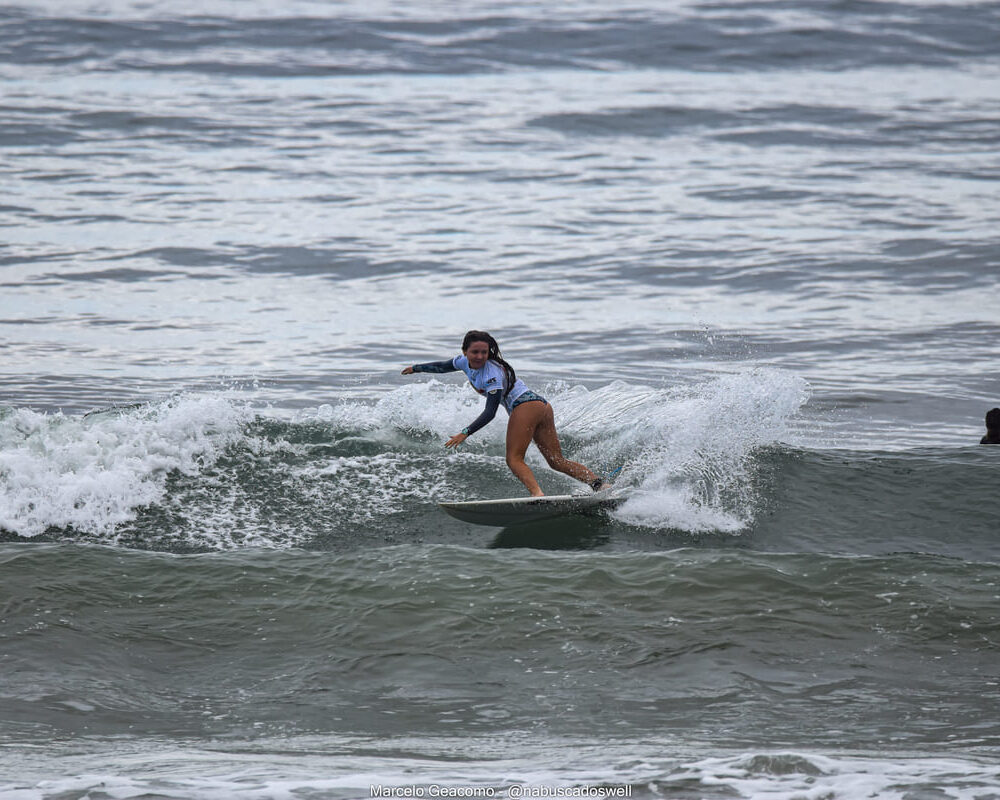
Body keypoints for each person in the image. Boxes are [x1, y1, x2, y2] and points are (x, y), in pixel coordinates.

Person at [401, 330, 609, 497]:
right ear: (465, 352)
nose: (481, 356)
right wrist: (417, 368)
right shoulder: (463, 362)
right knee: (556, 461)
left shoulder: (492, 373)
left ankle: (537, 495)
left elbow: (490, 412)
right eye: (475, 352)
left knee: (514, 459)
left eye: (485, 352)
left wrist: (465, 432)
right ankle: (599, 485)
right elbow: (443, 366)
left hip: (526, 406)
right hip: (541, 405)